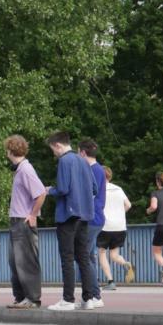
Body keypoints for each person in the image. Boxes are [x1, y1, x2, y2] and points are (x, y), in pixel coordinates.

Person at [44, 132, 99, 311]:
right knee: (83, 257)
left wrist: (48, 190)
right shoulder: (83, 160)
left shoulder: (64, 161)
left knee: (67, 258)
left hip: (67, 216)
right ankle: (88, 298)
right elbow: (94, 188)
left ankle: (68, 299)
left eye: (53, 150)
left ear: (58, 145)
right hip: (84, 216)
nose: (54, 154)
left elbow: (63, 189)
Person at [4, 135, 46, 309]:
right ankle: (20, 296)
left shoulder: (26, 170)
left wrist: (33, 214)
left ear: (10, 151)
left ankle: (32, 298)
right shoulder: (20, 169)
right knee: (14, 261)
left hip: (23, 221)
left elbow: (41, 193)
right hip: (16, 221)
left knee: (26, 261)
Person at [78, 140, 107, 303]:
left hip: (91, 218)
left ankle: (94, 295)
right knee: (89, 257)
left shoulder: (92, 170)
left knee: (83, 257)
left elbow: (89, 194)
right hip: (96, 217)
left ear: (82, 153)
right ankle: (95, 294)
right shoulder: (99, 169)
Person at [98, 167, 135, 291]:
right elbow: (129, 205)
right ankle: (126, 264)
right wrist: (120, 214)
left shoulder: (98, 189)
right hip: (120, 226)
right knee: (114, 255)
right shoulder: (119, 189)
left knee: (102, 253)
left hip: (105, 226)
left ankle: (111, 281)